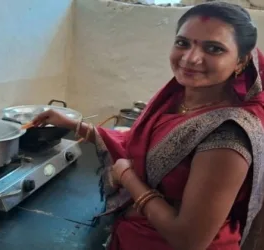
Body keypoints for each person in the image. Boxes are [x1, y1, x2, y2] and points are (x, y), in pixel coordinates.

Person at [32, 2, 264, 249]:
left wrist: (126, 176)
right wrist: (72, 124)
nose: (191, 58)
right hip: (137, 233)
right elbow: (139, 144)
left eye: (214, 48)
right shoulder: (178, 99)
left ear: (241, 61)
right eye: (183, 43)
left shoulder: (228, 136)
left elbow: (189, 240)